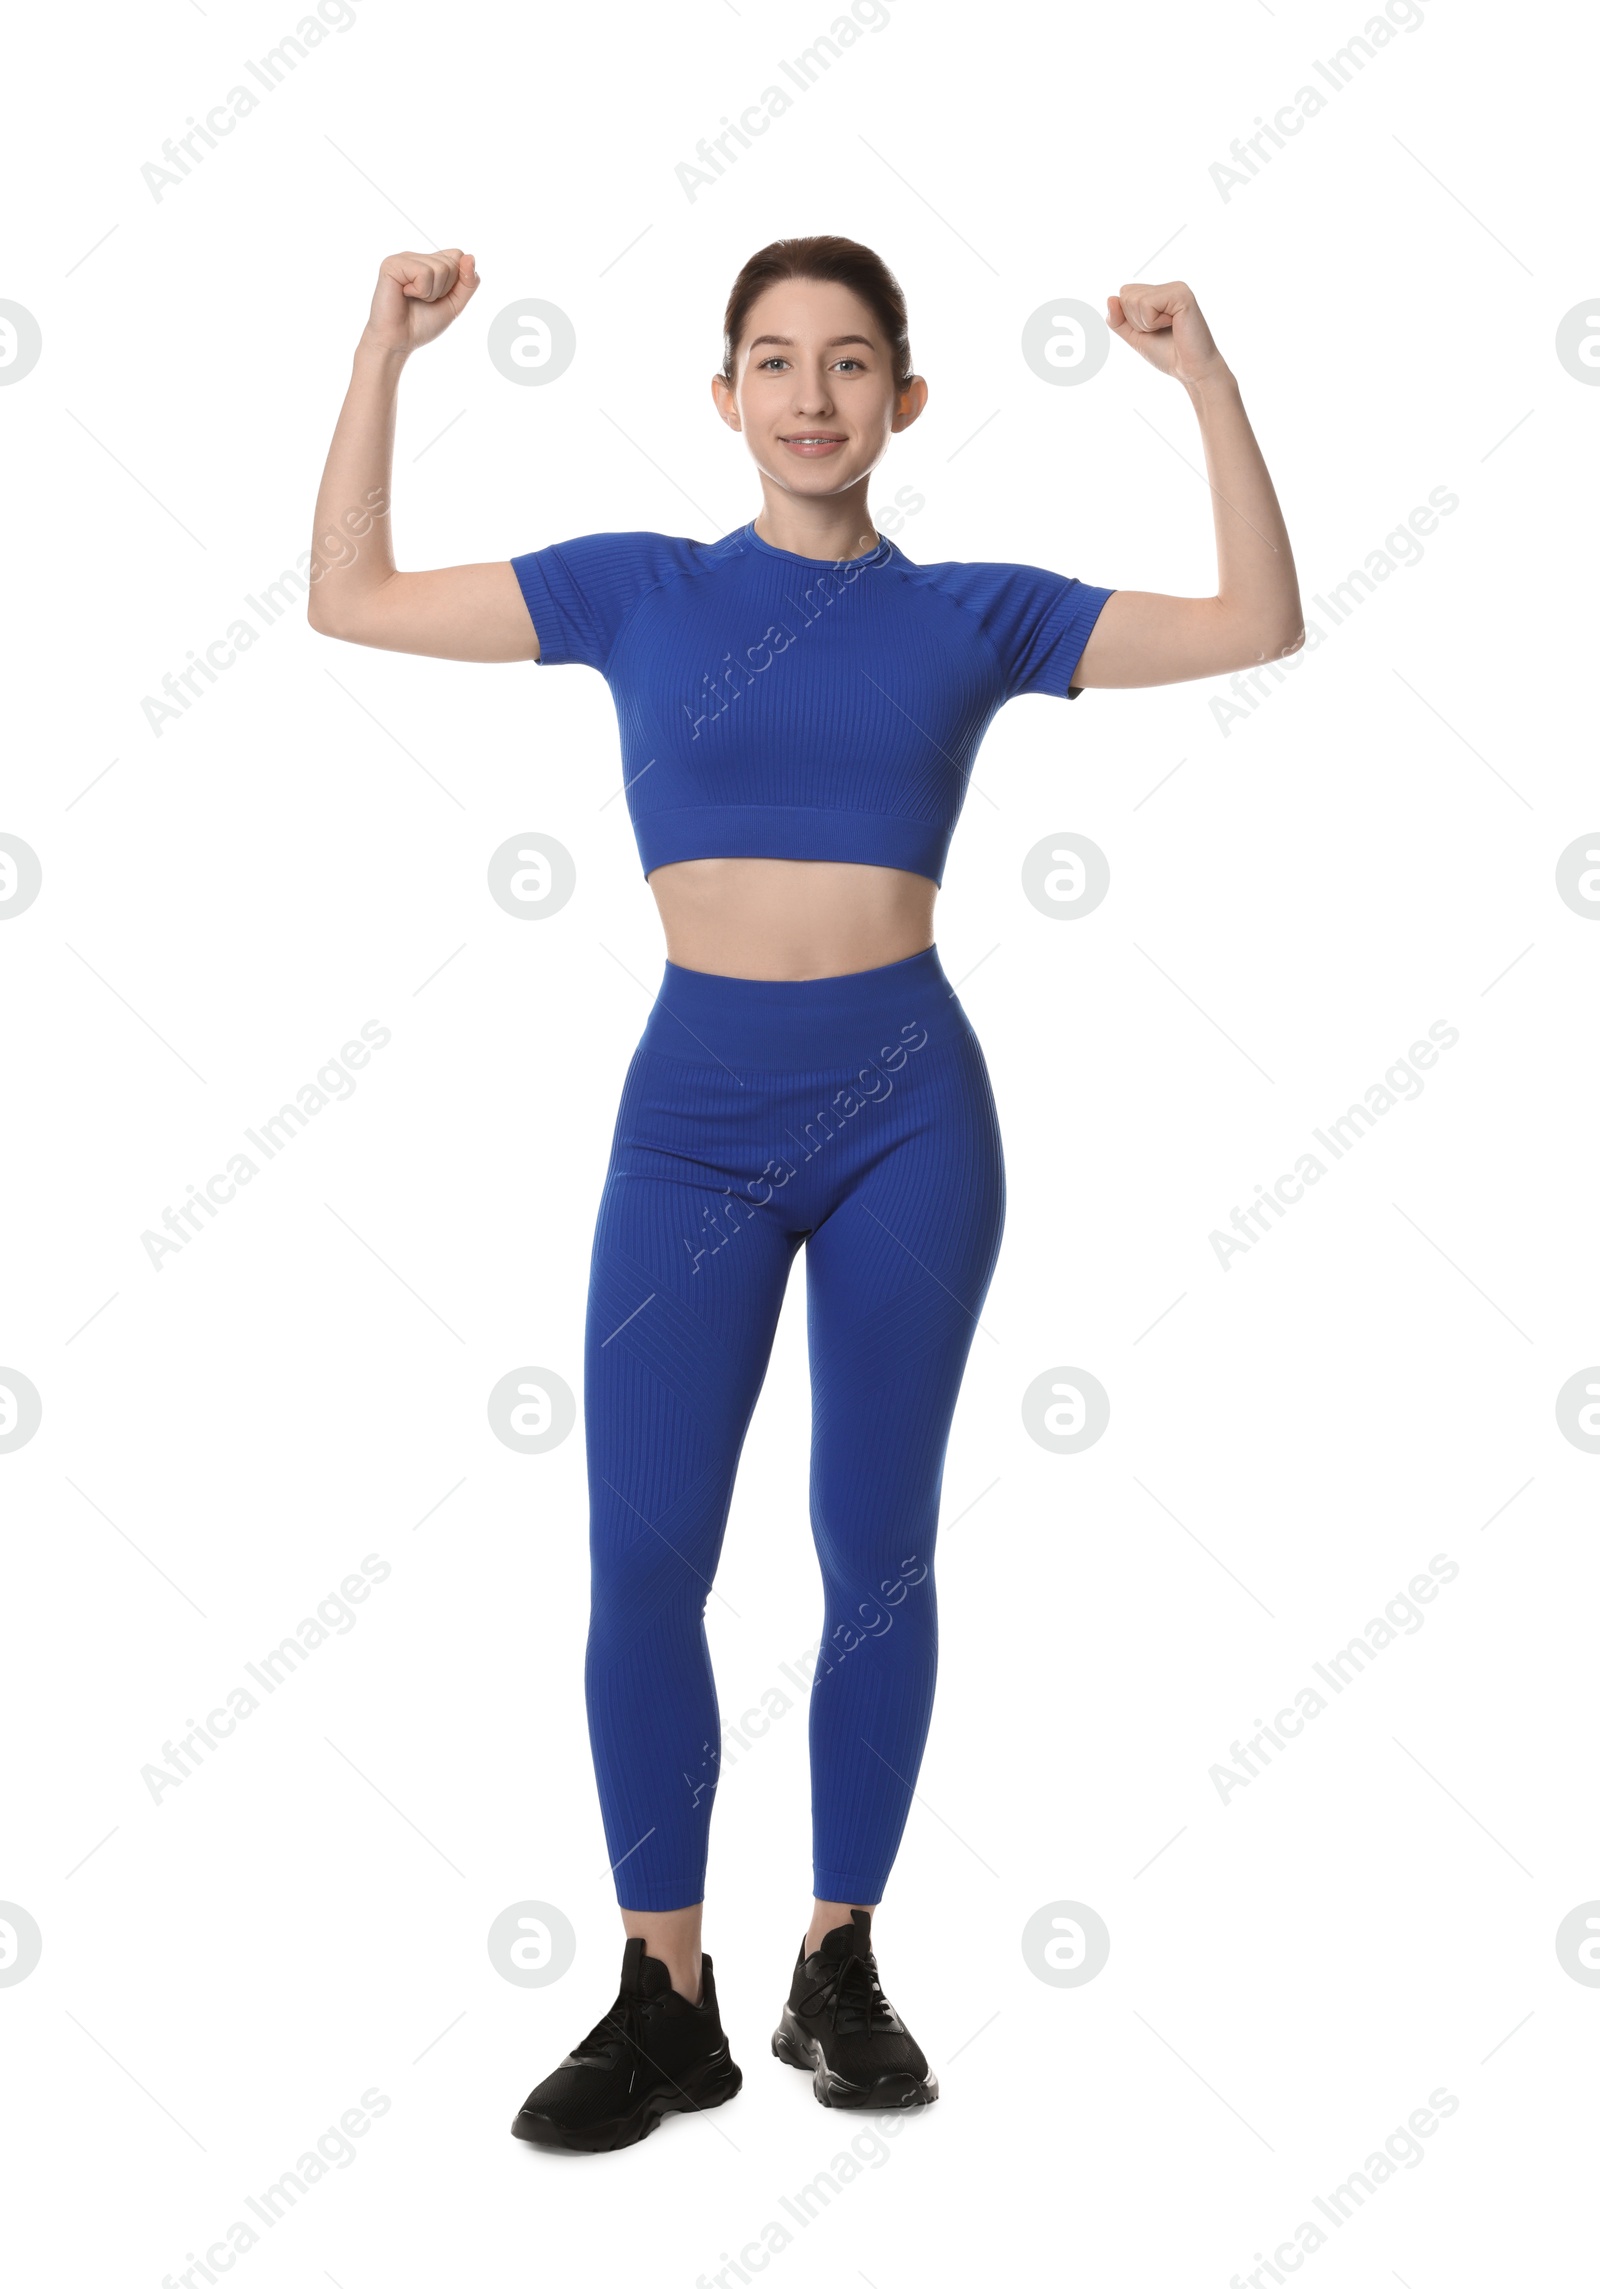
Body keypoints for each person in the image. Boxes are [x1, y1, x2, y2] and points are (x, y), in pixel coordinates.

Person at [307, 234, 1302, 2153]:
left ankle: (838, 1954)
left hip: (906, 1112)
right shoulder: (639, 589)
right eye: (776, 359)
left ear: (904, 400)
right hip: (690, 1115)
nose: (815, 393)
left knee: (877, 1545)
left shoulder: (979, 614)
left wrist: (1203, 381)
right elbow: (347, 592)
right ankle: (660, 1988)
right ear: (727, 396)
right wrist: (386, 351)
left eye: (853, 363)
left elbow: (1255, 621)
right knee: (647, 1550)